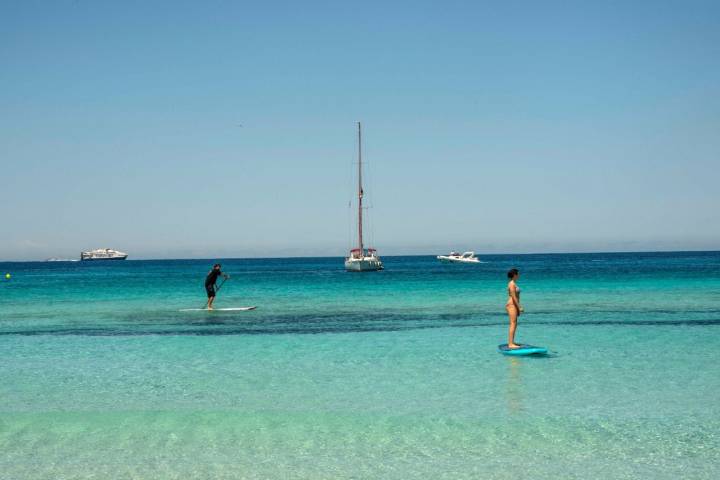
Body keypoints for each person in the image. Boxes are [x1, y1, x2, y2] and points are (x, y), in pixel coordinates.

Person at [505, 268, 524, 348]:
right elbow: (513, 296)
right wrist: (519, 307)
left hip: (514, 305)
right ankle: (510, 344)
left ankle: (512, 342)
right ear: (514, 275)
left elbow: (516, 296)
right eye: (518, 274)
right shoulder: (511, 284)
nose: (519, 275)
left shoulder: (514, 283)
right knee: (513, 324)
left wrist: (518, 308)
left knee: (514, 324)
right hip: (511, 305)